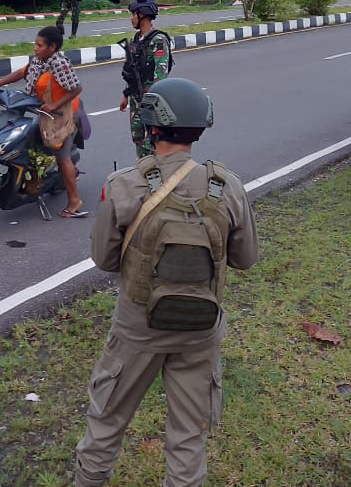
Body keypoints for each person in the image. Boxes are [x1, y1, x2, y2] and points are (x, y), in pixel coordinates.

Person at [74, 77, 259, 487]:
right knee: (189, 435)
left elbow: (104, 259)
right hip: (200, 329)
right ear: (200, 128)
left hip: (137, 328)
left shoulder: (124, 185)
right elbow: (246, 259)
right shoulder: (229, 187)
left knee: (106, 421)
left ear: (150, 127)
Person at [0, 25, 86, 217]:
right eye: (35, 44)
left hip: (63, 114)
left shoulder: (59, 64)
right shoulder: (40, 61)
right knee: (28, 141)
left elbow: (76, 89)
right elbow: (22, 73)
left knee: (62, 155)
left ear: (52, 47)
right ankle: (34, 182)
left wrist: (54, 104)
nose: (35, 48)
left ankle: (74, 201)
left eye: (39, 45)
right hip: (46, 111)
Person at [119, 0, 173, 158]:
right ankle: (142, 167)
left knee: (153, 138)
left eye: (133, 15)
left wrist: (153, 99)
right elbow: (132, 72)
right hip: (136, 97)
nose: (131, 18)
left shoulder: (158, 39)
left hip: (150, 99)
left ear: (142, 15)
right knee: (138, 137)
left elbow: (161, 72)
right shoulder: (137, 39)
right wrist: (125, 95)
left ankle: (156, 171)